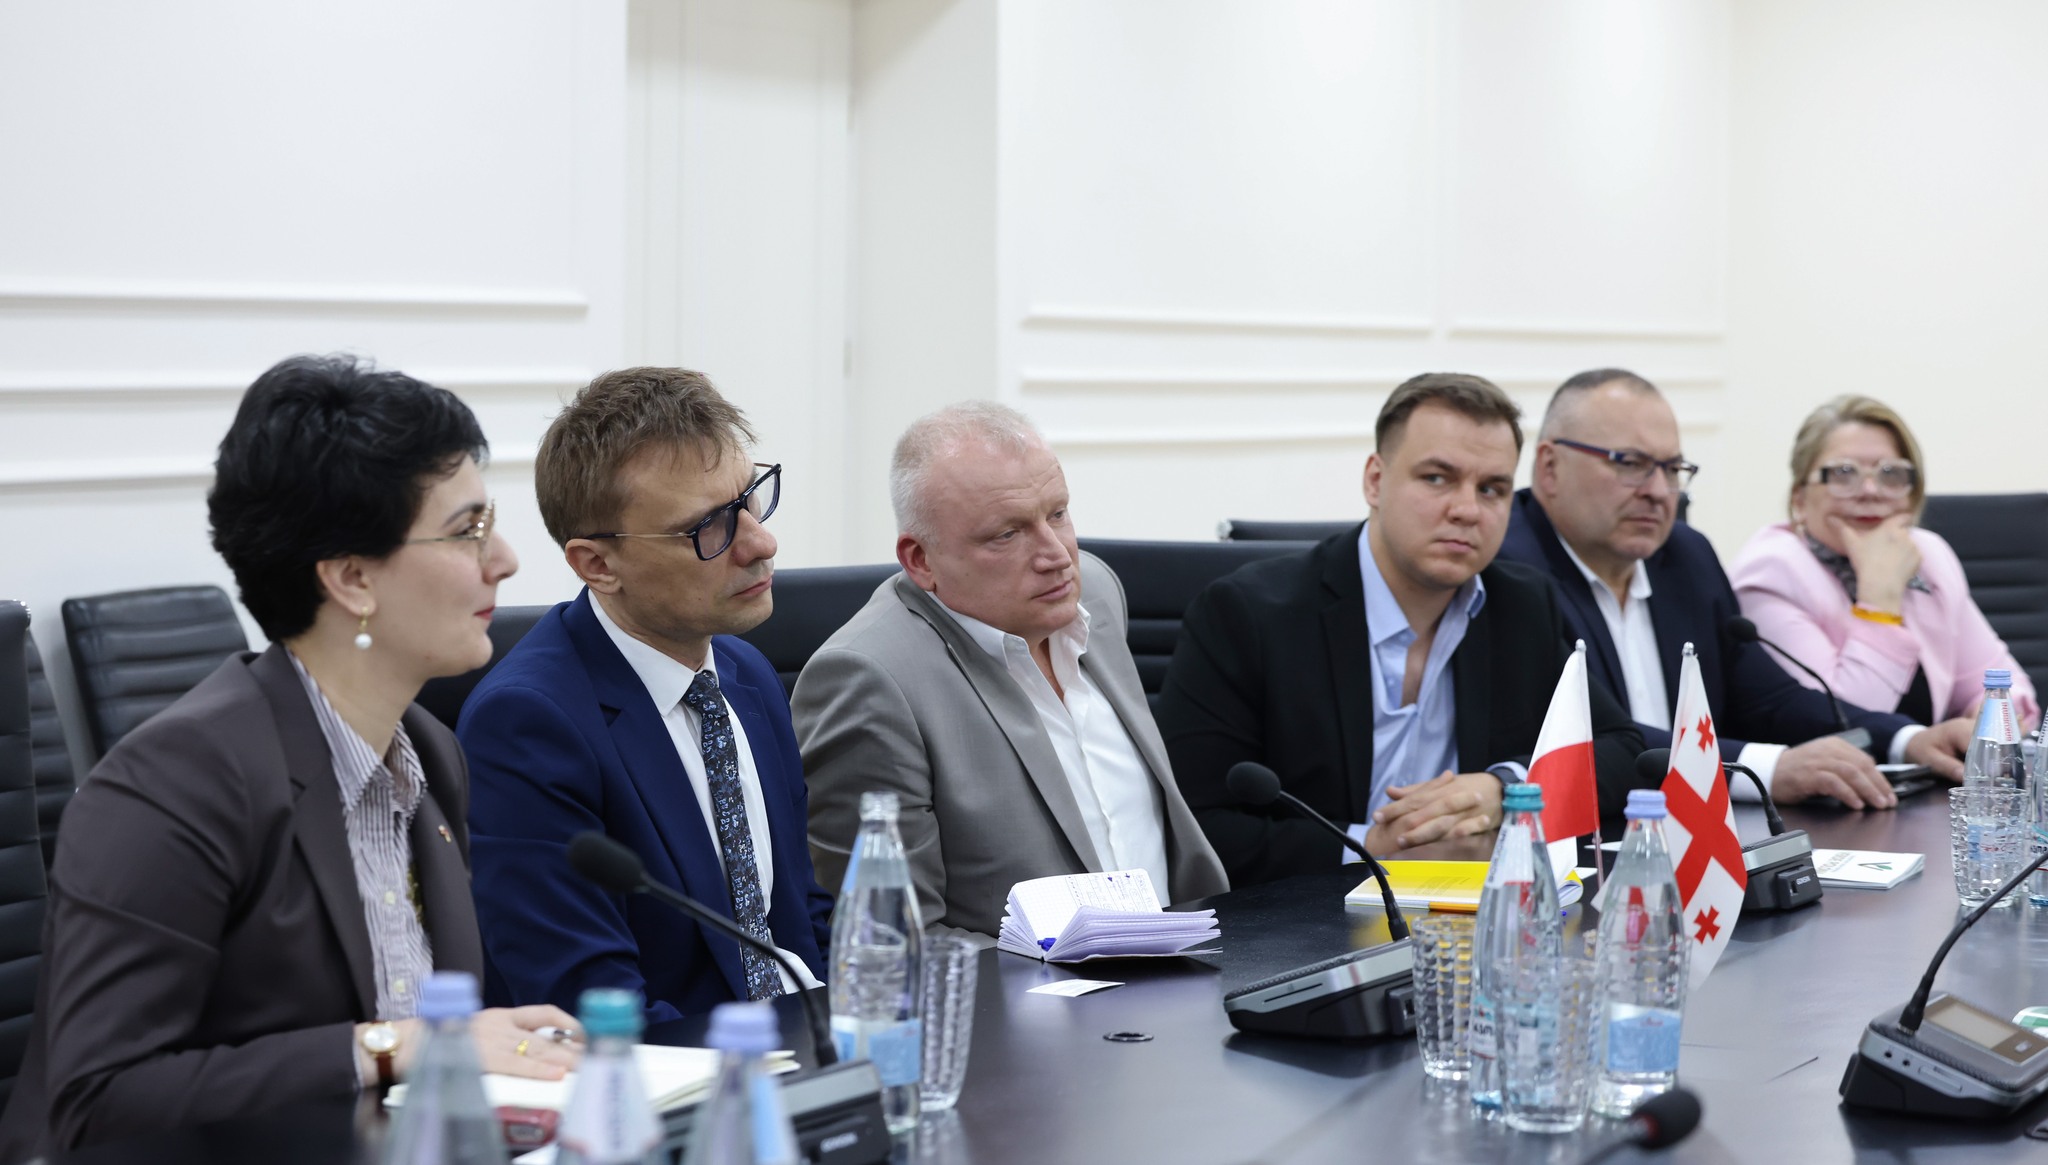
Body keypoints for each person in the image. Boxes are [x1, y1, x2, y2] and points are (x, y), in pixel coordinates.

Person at [0, 356, 580, 1157]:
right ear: (352, 579)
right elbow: (98, 1102)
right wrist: (394, 1046)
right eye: (466, 530)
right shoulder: (172, 785)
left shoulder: (429, 752)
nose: (505, 558)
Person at [1156, 373, 1645, 887]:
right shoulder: (1247, 615)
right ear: (1375, 481)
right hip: (1312, 915)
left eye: (1491, 489)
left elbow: (1623, 749)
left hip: (1467, 911)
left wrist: (1505, 789)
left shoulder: (1522, 605)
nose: (1466, 510)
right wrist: (1371, 848)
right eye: (1436, 478)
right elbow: (1194, 823)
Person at [460, 368, 832, 1025]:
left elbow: (801, 917)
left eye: (750, 499)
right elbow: (594, 1007)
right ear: (598, 565)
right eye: (710, 527)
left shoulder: (746, 673)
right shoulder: (527, 724)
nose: (761, 543)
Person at [793, 403, 1227, 940]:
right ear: (920, 560)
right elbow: (894, 940)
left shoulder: (1094, 593)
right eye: (1007, 534)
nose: (1057, 555)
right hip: (1034, 990)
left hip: (1196, 959)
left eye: (1058, 514)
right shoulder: (869, 681)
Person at [1498, 371, 1974, 809]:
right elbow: (1598, 737)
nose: (1659, 491)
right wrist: (1768, 768)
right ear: (1550, 467)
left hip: (1696, 836)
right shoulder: (1511, 572)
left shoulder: (1685, 556)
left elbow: (1771, 699)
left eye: (1672, 468)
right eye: (1631, 464)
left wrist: (1907, 740)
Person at [1729, 394, 2038, 730]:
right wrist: (1880, 601)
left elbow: (2004, 685)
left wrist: (1988, 718)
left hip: (1931, 765)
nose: (1870, 490)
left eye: (1891, 474)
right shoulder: (1771, 572)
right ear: (1799, 498)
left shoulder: (1927, 554)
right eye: (1844, 473)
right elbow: (1839, 723)